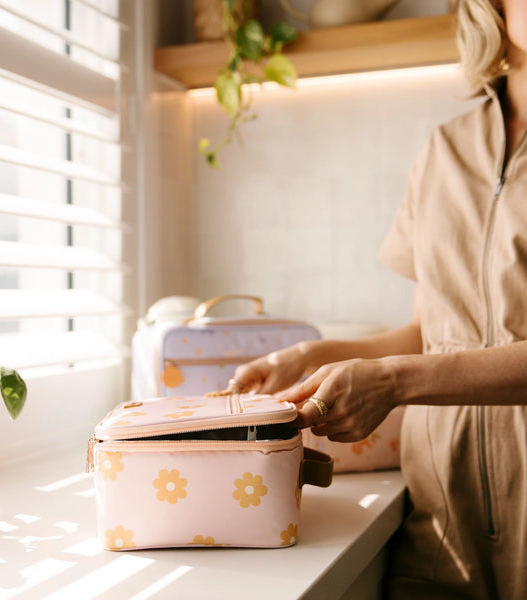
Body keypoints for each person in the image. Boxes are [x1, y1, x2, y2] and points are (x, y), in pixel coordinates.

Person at [227, 1, 527, 597]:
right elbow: (430, 333)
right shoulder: (444, 150)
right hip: (441, 533)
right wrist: (311, 358)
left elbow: (406, 367)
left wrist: (391, 382)